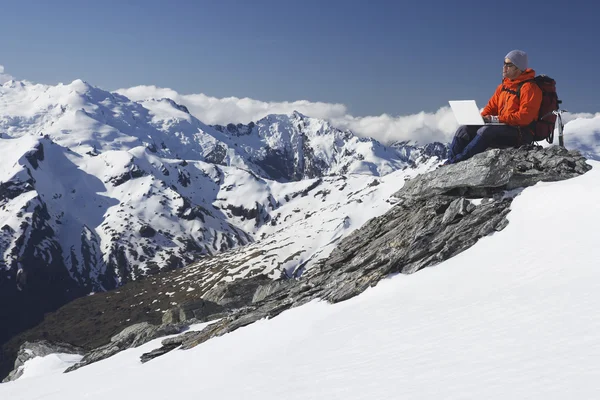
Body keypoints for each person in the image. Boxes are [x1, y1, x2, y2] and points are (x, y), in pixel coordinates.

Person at [445, 50, 543, 164]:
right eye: (504, 63)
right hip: (503, 128)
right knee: (463, 130)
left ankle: (455, 163)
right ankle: (450, 162)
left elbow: (525, 117)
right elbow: (491, 107)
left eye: (508, 65)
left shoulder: (530, 88)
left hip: (521, 133)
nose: (504, 67)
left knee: (487, 131)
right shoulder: (502, 87)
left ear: (518, 68)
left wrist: (495, 119)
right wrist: (479, 119)